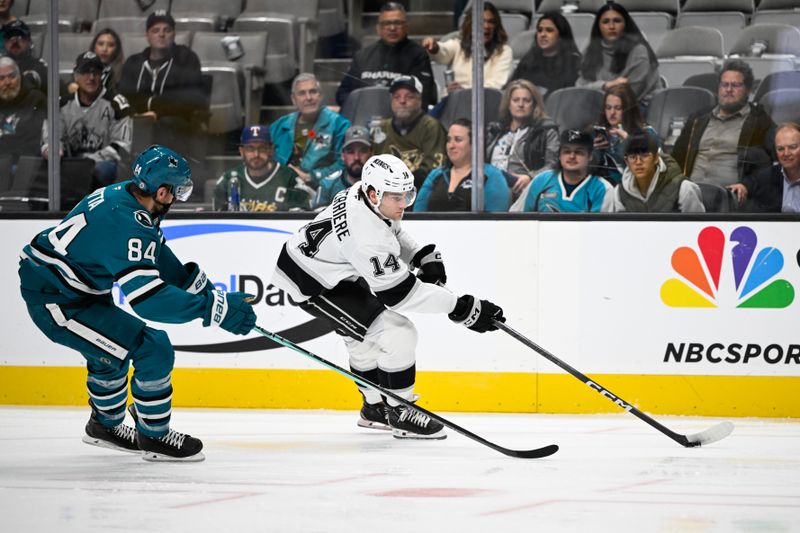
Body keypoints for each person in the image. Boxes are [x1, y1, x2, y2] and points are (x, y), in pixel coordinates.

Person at [17, 145, 257, 461]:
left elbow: (159, 257)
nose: (177, 199)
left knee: (110, 352)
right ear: (160, 191)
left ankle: (104, 427)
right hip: (57, 300)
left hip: (73, 290)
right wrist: (212, 310)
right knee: (152, 347)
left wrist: (211, 295)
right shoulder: (126, 222)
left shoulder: (129, 200)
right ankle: (154, 436)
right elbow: (148, 301)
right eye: (177, 192)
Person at [271, 153, 505, 440]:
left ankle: (373, 409)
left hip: (327, 267)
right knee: (398, 331)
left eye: (407, 194)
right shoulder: (364, 236)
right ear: (373, 193)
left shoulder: (364, 195)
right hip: (312, 282)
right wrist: (462, 308)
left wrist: (417, 254)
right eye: (396, 197)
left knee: (361, 338)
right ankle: (400, 410)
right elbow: (401, 295)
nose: (403, 203)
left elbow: (390, 229)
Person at [672, 59, 775, 196]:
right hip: (689, 194)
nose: (729, 90)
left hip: (729, 198)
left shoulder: (760, 122)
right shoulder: (698, 119)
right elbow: (676, 158)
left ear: (748, 90)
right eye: (724, 84)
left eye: (736, 85)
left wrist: (747, 185)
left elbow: (769, 167)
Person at [118, 11, 206, 158]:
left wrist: (157, 113)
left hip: (172, 123)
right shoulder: (134, 63)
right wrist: (138, 114)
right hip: (138, 119)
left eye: (167, 30)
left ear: (174, 34)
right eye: (155, 30)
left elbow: (189, 98)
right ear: (147, 36)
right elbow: (124, 95)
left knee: (166, 123)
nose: (161, 34)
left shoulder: (186, 59)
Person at [42, 52, 133, 189]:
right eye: (85, 72)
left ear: (101, 75)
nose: (91, 77)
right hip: (68, 163)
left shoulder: (117, 104)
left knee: (102, 170)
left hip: (104, 165)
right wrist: (53, 150)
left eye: (96, 72)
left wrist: (88, 161)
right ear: (76, 76)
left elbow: (123, 147)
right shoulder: (61, 105)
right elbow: (49, 140)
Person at [336, 2, 437, 110]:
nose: (392, 28)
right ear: (378, 28)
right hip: (365, 115)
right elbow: (342, 94)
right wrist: (361, 105)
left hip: (404, 119)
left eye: (397, 23)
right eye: (386, 23)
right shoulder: (362, 56)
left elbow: (425, 96)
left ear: (406, 27)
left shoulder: (418, 55)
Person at [270, 73, 350, 188]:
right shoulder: (280, 125)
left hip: (321, 189)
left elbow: (344, 163)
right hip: (282, 186)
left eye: (313, 91)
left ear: (320, 96)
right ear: (293, 99)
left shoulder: (339, 124)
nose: (308, 98)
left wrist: (311, 177)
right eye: (302, 93)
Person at [486, 79, 559, 201]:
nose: (520, 104)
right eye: (516, 100)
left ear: (534, 104)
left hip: (523, 188)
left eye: (526, 100)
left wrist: (530, 177)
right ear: (508, 104)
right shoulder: (495, 130)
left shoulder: (546, 130)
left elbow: (553, 164)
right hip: (491, 183)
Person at [415, 118, 510, 212]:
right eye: (448, 140)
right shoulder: (436, 174)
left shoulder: (492, 175)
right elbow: (418, 215)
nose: (451, 146)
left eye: (458, 140)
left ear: (474, 144)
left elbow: (496, 220)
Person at [213, 125, 313, 212]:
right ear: (241, 151)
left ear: (271, 150)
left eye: (262, 148)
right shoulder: (228, 179)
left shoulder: (289, 178)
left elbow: (299, 222)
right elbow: (218, 222)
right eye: (250, 148)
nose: (256, 154)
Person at [576, 2, 660, 106]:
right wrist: (606, 85)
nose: (611, 26)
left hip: (637, 109)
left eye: (617, 21)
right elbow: (579, 89)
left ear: (625, 25)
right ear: (598, 26)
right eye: (605, 22)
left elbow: (630, 95)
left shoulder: (639, 51)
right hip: (600, 108)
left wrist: (596, 89)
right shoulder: (590, 51)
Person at [371, 75, 447, 188]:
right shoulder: (382, 128)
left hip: (421, 189)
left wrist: (401, 183)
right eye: (397, 97)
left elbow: (435, 168)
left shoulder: (431, 127)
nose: (402, 101)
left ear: (420, 100)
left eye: (409, 97)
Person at [421, 1, 512, 93]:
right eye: (481, 22)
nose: (486, 26)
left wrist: (464, 92)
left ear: (496, 26)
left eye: (491, 22)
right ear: (470, 24)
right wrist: (435, 47)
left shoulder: (504, 51)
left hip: (485, 103)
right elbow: (443, 52)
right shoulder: (458, 45)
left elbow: (495, 85)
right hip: (453, 102)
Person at [608, 130, 705, 213]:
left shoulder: (684, 189)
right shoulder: (619, 193)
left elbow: (696, 228)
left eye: (644, 155)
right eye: (632, 157)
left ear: (656, 158)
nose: (638, 162)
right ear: (627, 162)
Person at [521, 129, 613, 213]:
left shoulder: (602, 189)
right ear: (559, 155)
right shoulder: (541, 181)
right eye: (566, 151)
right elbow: (517, 218)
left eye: (578, 152)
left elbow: (601, 229)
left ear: (590, 156)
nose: (572, 156)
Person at [591, 83, 658, 186]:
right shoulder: (598, 133)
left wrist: (629, 143)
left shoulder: (647, 134)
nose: (612, 113)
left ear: (629, 110)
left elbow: (654, 173)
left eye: (618, 108)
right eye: (608, 108)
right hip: (602, 191)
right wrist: (592, 152)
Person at [508, 12, 581, 96]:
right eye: (540, 30)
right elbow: (512, 89)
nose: (542, 34)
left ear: (561, 36)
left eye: (549, 30)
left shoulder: (573, 61)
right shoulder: (529, 58)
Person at [739, 123, 800, 213]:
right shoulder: (768, 176)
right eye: (780, 149)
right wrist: (742, 186)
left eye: (792, 147)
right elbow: (749, 183)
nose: (786, 153)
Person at [313, 125, 373, 210]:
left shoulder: (384, 184)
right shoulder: (327, 185)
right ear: (342, 155)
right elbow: (317, 220)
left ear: (371, 153)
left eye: (363, 151)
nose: (356, 157)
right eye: (350, 152)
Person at [0, 56, 45, 161]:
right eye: (1, 78)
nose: (7, 82)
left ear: (20, 77)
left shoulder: (37, 100)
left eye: (12, 76)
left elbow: (34, 142)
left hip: (29, 166)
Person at [67, 28, 125, 95]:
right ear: (94, 46)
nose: (104, 49)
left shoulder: (123, 73)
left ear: (117, 50)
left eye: (110, 45)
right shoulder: (81, 68)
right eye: (100, 44)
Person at [1, 20, 47, 92]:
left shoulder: (39, 66)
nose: (15, 41)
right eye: (10, 37)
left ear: (29, 41)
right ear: (5, 42)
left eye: (20, 37)